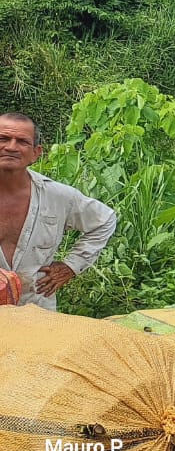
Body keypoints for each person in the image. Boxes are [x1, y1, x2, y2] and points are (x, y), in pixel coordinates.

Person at [0, 112, 117, 311]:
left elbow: (105, 220)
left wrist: (71, 266)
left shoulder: (58, 196)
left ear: (36, 153)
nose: (11, 147)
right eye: (3, 138)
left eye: (22, 141)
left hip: (37, 310)